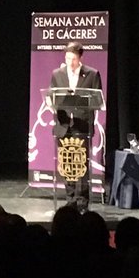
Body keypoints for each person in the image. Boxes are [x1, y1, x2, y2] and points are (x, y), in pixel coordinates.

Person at [48, 41, 103, 212]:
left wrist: (84, 102)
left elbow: (97, 100)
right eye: (67, 58)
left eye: (73, 58)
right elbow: (51, 95)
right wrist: (51, 103)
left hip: (82, 125)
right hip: (64, 125)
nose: (70, 62)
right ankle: (70, 199)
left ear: (80, 58)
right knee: (66, 163)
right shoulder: (57, 74)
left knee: (81, 165)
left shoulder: (92, 74)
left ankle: (82, 201)